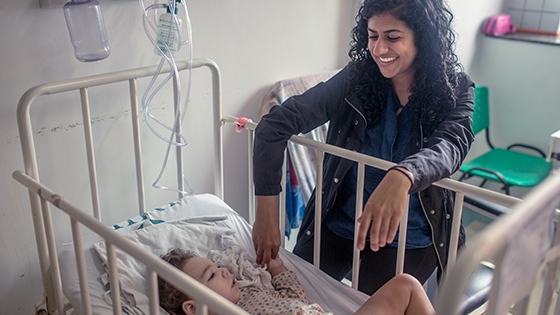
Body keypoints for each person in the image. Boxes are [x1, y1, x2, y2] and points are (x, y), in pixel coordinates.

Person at [252, 0, 475, 295]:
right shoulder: (357, 79)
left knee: (371, 305)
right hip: (343, 219)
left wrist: (403, 175)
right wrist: (267, 213)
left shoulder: (456, 89)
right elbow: (274, 126)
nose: (380, 49)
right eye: (372, 36)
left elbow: (452, 143)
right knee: (289, 293)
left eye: (393, 37)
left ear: (423, 37)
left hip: (410, 233)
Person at [158, 248, 436, 315]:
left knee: (407, 284)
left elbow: (294, 295)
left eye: (217, 267)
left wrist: (276, 266)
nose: (223, 271)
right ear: (193, 308)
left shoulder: (252, 290)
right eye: (211, 275)